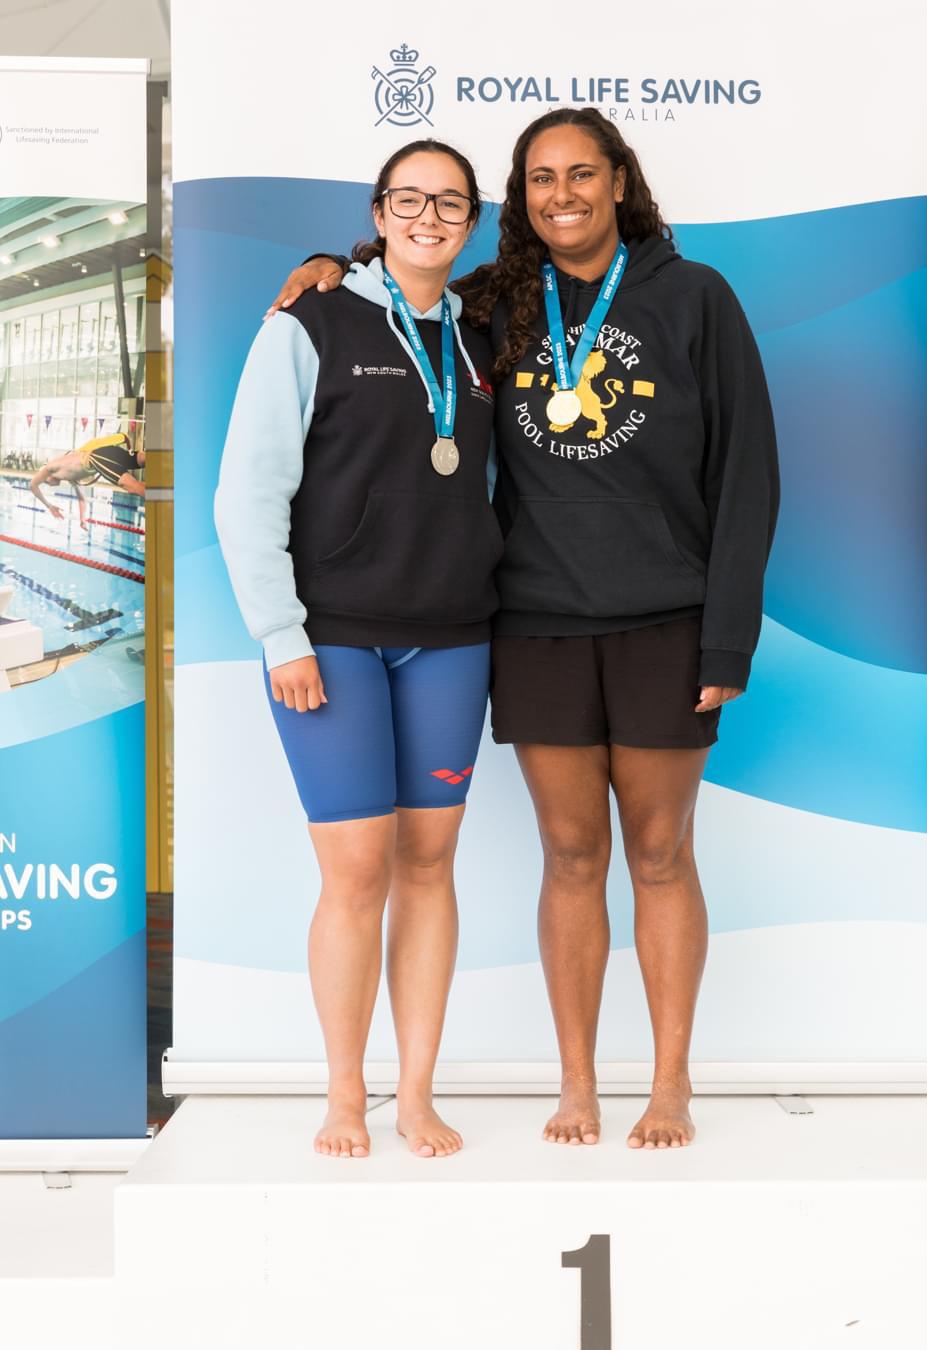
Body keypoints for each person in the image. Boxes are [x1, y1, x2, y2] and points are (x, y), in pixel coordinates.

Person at [269, 108, 779, 1151]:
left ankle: (671, 1084)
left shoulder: (697, 298)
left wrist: (727, 640)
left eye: (581, 174)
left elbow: (748, 475)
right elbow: (401, 288)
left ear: (620, 181)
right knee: (571, 851)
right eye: (540, 178)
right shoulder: (493, 303)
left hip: (666, 622)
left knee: (662, 851)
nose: (562, 194)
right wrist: (333, 261)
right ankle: (579, 1085)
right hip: (535, 622)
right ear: (522, 197)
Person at [216, 140, 502, 1160]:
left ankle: (415, 1092)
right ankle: (344, 1094)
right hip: (330, 641)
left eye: (451, 202)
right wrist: (278, 634)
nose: (430, 216)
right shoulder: (312, 320)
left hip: (452, 640)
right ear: (379, 213)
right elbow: (246, 491)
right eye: (410, 199)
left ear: (473, 221)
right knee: (356, 875)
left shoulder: (484, 337)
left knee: (431, 865)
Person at [29, 433, 146, 526]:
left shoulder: (50, 467)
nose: (48, 484)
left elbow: (33, 485)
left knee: (133, 487)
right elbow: (81, 499)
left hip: (96, 457)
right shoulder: (69, 475)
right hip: (105, 453)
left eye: (45, 481)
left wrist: (49, 506)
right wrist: (82, 519)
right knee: (141, 459)